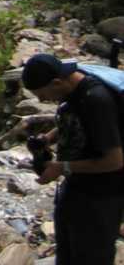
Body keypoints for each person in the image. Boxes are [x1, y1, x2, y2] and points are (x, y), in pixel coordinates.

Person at [22, 53, 124, 265]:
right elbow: (78, 119)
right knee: (67, 255)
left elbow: (114, 160)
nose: (42, 101)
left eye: (43, 95)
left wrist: (61, 167)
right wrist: (48, 138)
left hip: (101, 196)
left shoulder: (97, 100)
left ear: (57, 82)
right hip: (76, 189)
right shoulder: (73, 87)